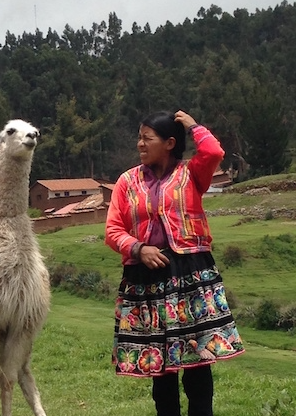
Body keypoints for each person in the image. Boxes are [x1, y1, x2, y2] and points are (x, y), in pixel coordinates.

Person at [105, 110, 245, 416]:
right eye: (139, 137)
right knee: (161, 367)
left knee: (198, 362)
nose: (140, 144)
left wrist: (194, 126)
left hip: (190, 277)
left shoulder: (192, 174)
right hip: (147, 279)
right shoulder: (127, 182)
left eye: (147, 138)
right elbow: (113, 230)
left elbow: (214, 151)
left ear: (169, 143)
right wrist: (138, 248)